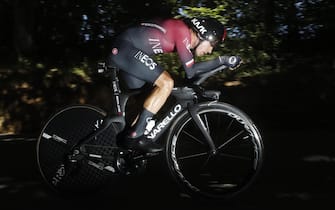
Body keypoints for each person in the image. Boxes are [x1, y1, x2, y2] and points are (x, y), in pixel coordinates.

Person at [108, 17, 242, 153]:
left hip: (129, 50)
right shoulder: (181, 31)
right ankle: (135, 136)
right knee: (166, 83)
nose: (210, 51)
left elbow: (192, 74)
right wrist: (222, 60)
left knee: (146, 101)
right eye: (213, 45)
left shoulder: (184, 37)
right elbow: (191, 72)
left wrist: (220, 65)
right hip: (124, 48)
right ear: (205, 35)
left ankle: (124, 149)